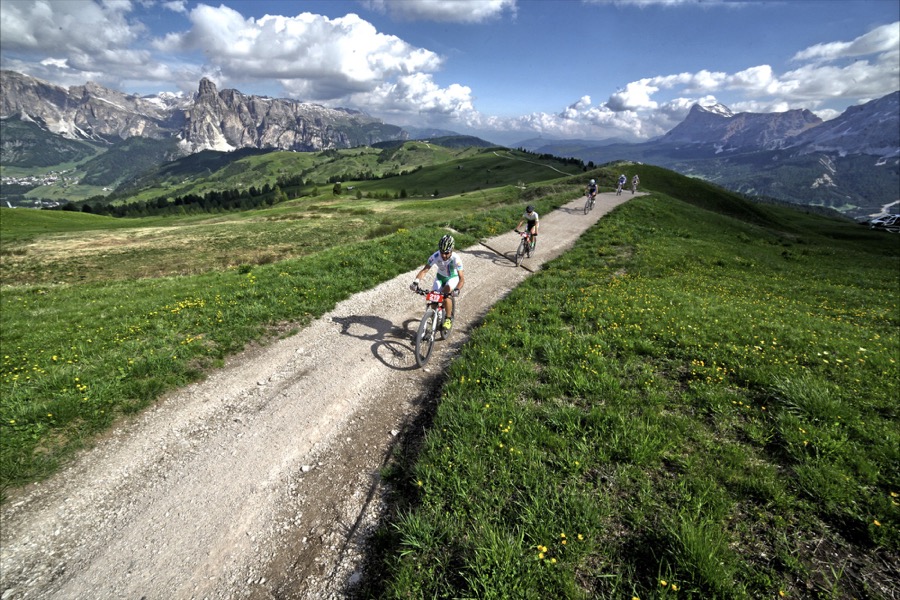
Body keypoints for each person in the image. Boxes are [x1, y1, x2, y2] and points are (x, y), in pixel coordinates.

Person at [410, 234, 465, 330]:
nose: (443, 255)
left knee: (446, 294)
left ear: (452, 250)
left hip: (452, 278)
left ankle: (448, 318)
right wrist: (415, 282)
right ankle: (435, 317)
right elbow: (424, 270)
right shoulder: (435, 256)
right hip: (440, 277)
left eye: (447, 253)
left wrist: (457, 289)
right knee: (433, 300)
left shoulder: (456, 259)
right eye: (442, 252)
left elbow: (461, 278)